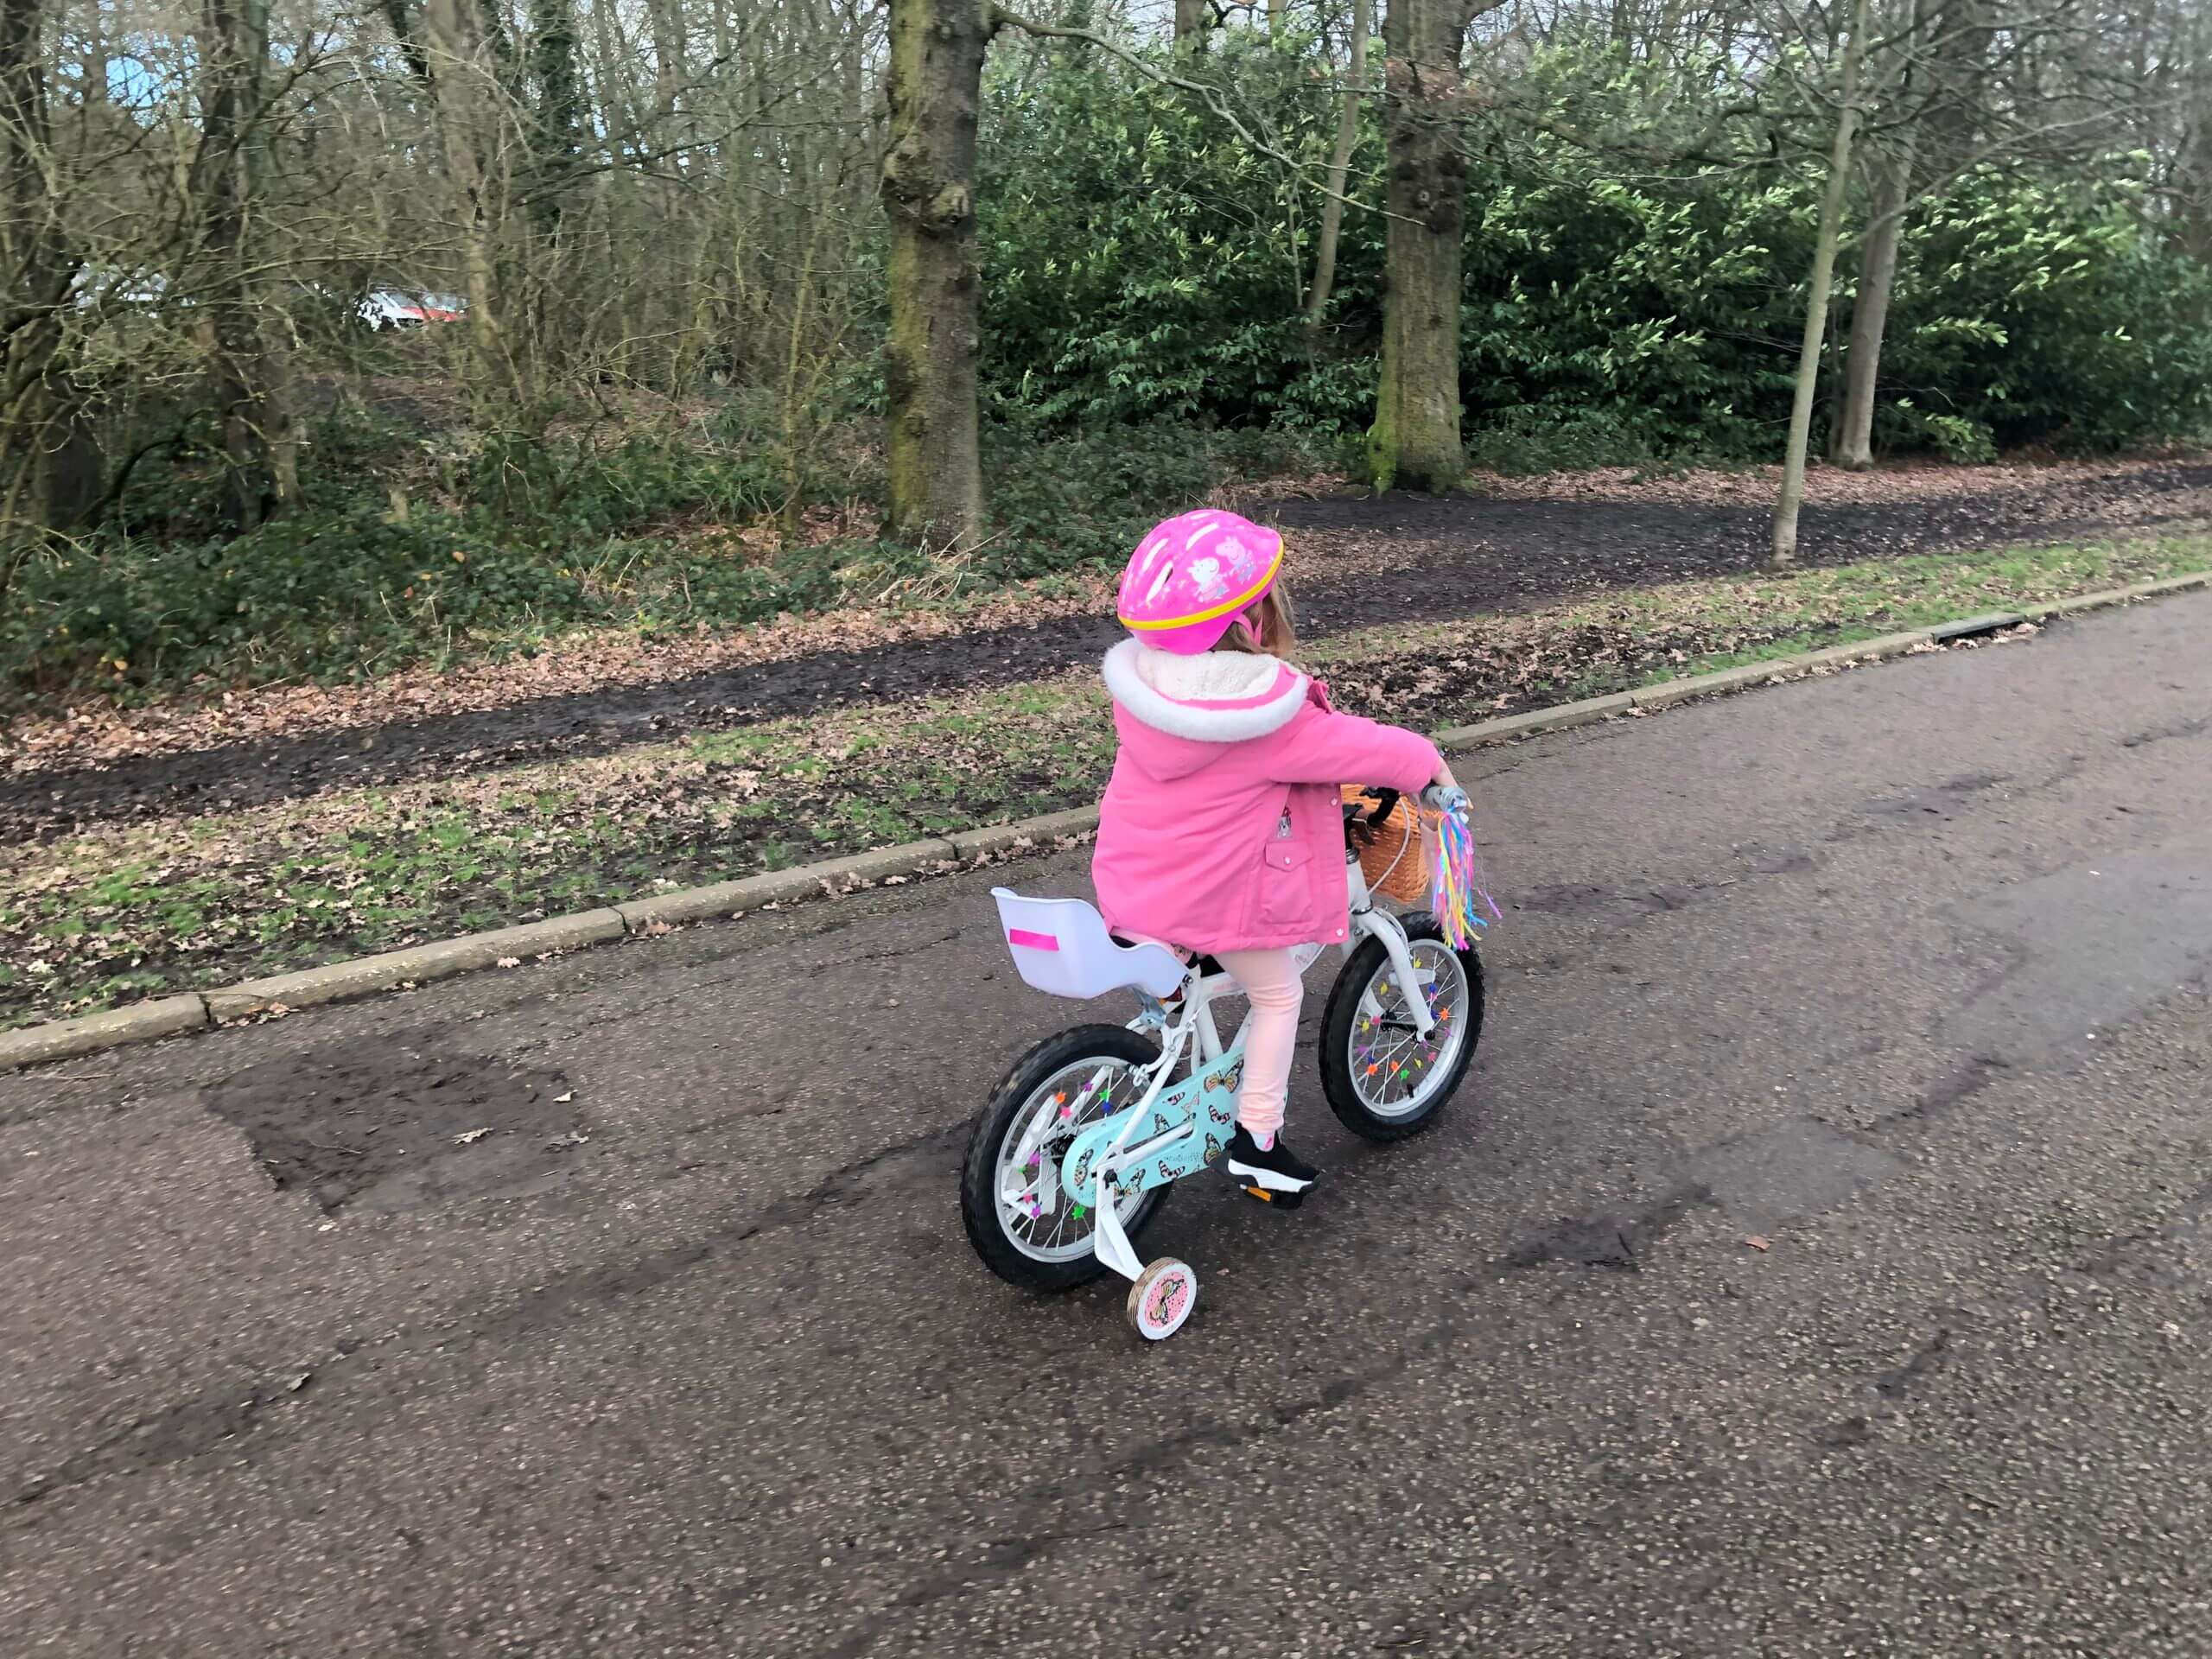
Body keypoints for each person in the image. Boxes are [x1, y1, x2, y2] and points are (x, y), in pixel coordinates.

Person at [1091, 508, 1458, 1205]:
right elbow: (1362, 746)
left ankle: (1168, 1051)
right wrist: (1428, 763)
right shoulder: (1264, 717)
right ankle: (1257, 1142)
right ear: (1251, 621)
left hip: (1133, 884)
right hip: (1206, 898)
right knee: (1276, 992)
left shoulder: (1144, 692)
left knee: (1195, 983)